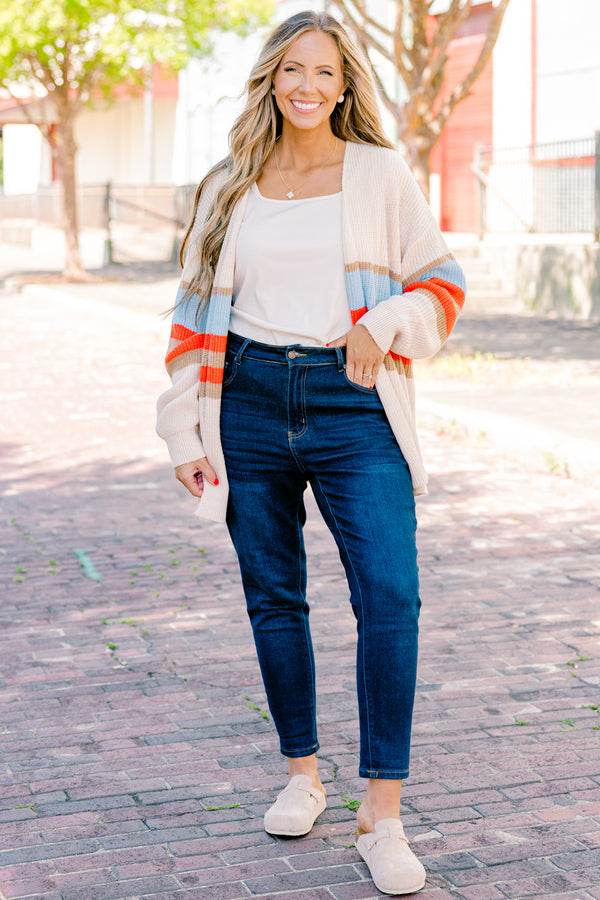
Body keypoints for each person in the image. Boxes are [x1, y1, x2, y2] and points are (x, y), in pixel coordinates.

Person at [156, 10, 465, 895]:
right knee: (274, 597)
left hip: (352, 400)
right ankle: (303, 774)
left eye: (325, 74)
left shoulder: (376, 173)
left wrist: (386, 323)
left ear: (345, 85)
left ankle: (384, 811)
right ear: (270, 79)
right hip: (245, 399)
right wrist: (184, 430)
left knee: (392, 597)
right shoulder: (228, 184)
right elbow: (190, 316)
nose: (308, 87)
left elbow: (441, 281)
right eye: (293, 70)